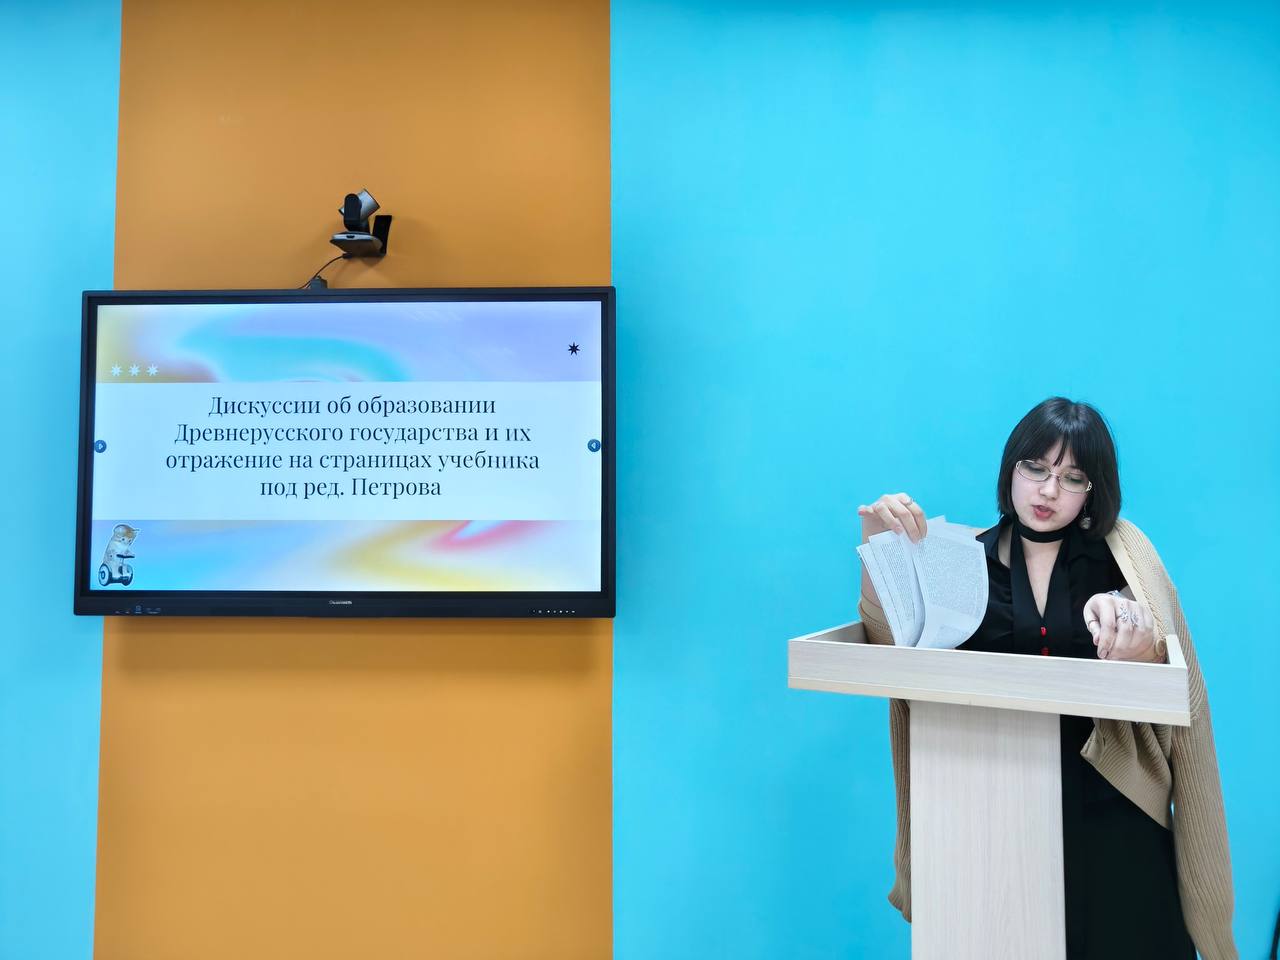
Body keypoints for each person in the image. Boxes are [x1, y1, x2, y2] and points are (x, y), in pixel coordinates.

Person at [855, 397, 1236, 960]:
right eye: (1035, 468)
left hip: (1112, 809)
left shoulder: (1124, 562)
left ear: (1092, 491)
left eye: (1072, 478)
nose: (1049, 490)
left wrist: (1139, 645)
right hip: (990, 815)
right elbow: (890, 642)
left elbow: (1166, 661)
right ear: (1011, 470)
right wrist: (877, 546)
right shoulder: (961, 559)